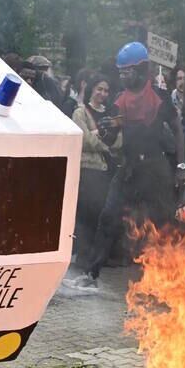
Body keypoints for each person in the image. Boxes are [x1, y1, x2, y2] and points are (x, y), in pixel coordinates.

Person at [75, 42, 185, 287]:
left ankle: (171, 278)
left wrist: (181, 167)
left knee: (163, 224)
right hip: (128, 171)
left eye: (128, 72)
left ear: (142, 69)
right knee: (108, 218)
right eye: (121, 72)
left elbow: (178, 131)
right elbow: (114, 139)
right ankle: (91, 274)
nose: (124, 77)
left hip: (155, 171)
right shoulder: (119, 100)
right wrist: (108, 131)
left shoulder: (160, 97)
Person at [71, 76, 121, 260]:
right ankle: (83, 255)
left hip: (105, 170)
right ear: (92, 89)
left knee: (100, 212)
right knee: (86, 212)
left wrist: (101, 138)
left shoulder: (110, 115)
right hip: (87, 168)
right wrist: (103, 140)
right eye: (99, 89)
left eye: (106, 90)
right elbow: (85, 140)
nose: (102, 93)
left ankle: (95, 254)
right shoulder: (80, 113)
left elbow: (118, 141)